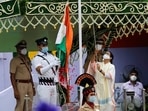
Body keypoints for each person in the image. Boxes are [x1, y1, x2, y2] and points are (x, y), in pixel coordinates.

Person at [31, 37, 61, 105]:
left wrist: (58, 64)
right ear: (38, 46)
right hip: (44, 85)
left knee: (53, 107)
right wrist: (51, 64)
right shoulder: (37, 58)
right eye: (43, 45)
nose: (45, 47)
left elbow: (55, 70)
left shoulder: (51, 56)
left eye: (46, 45)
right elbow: (41, 71)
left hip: (53, 84)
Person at [10, 40, 35, 111]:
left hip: (29, 83)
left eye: (25, 47)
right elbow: (12, 76)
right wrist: (15, 90)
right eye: (21, 48)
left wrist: (33, 86)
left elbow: (30, 73)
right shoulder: (14, 60)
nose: (24, 49)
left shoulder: (27, 59)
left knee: (29, 106)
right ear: (18, 49)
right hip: (20, 84)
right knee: (20, 106)